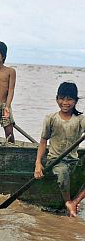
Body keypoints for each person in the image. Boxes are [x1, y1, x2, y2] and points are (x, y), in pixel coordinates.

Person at [34, 82, 85, 216]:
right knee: (62, 173)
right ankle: (68, 202)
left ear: (75, 101)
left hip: (73, 160)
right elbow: (43, 142)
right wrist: (38, 163)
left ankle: (76, 201)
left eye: (69, 99)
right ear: (57, 99)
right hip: (55, 161)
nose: (65, 102)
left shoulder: (80, 120)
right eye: (62, 98)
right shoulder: (51, 119)